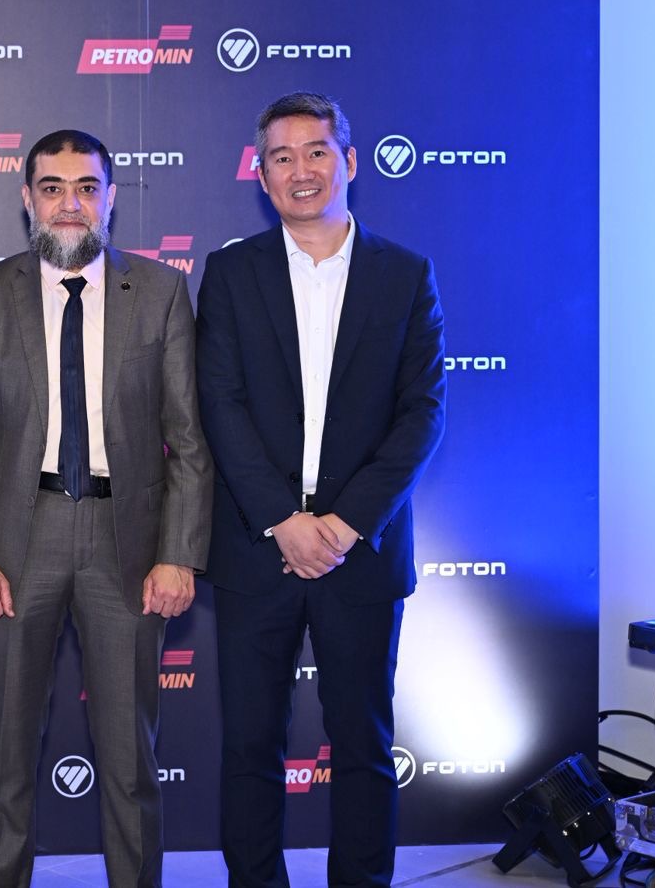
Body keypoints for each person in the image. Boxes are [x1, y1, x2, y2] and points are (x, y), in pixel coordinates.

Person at [0, 130, 212, 888]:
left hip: (129, 545)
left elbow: (189, 439)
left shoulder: (159, 292)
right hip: (15, 541)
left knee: (130, 762)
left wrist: (178, 554)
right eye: (53, 187)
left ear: (111, 198)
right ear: (27, 198)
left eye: (87, 187)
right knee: (3, 759)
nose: (71, 203)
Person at [195, 92, 445, 888]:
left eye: (316, 152)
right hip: (256, 550)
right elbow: (219, 404)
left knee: (364, 745)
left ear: (350, 162)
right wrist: (282, 518)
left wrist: (343, 524)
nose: (300, 171)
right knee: (249, 747)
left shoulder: (404, 274)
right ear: (262, 174)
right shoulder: (231, 273)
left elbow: (422, 412)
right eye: (282, 157)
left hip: (359, 554)